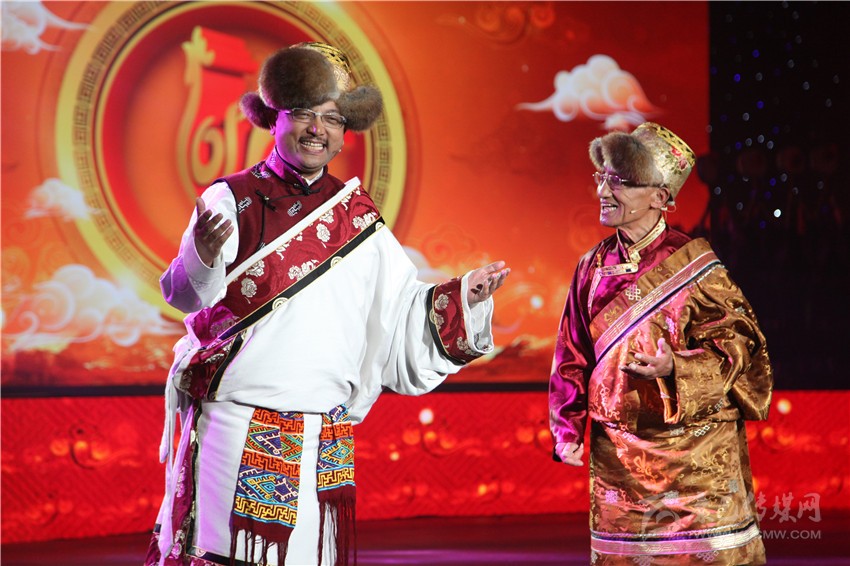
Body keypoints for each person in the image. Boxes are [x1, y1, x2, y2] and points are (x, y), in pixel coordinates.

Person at [146, 42, 510, 566]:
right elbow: (187, 298)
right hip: (236, 426)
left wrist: (463, 299)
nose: (318, 129)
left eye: (333, 118)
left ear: (345, 132)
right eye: (303, 113)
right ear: (273, 117)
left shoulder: (357, 216)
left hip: (324, 431)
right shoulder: (231, 199)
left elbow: (401, 314)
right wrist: (201, 256)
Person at [548, 122, 773, 565]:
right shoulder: (591, 267)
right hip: (620, 464)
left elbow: (743, 349)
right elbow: (570, 352)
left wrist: (677, 367)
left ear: (660, 197)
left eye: (620, 182)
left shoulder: (696, 266)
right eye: (603, 178)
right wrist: (567, 428)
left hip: (696, 462)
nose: (604, 192)